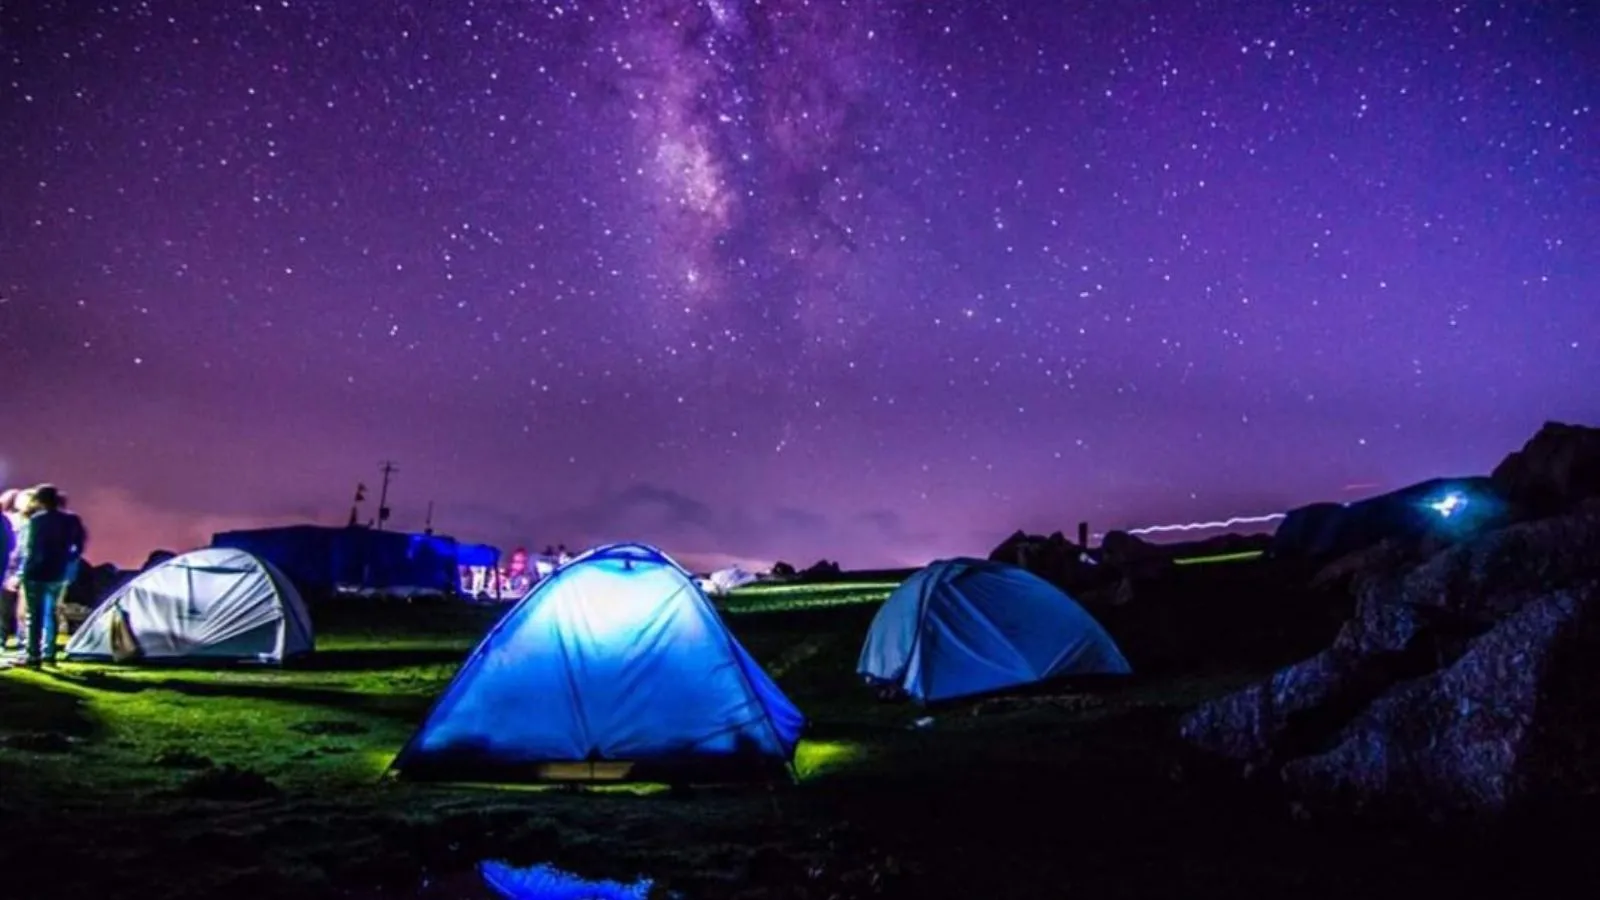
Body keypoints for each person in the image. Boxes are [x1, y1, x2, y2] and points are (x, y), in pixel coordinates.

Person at [16, 484, 87, 668]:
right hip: (58, 572)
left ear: (40, 501)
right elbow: (78, 546)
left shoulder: (36, 521)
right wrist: (67, 562)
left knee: (35, 614)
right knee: (52, 612)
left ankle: (33, 655)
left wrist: (22, 571)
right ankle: (49, 653)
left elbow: (29, 548)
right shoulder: (72, 520)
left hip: (35, 573)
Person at [0, 488, 30, 652]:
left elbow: (15, 546)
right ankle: (22, 640)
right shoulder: (26, 521)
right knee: (22, 609)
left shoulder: (9, 520)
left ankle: (3, 638)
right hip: (17, 567)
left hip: (9, 567)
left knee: (5, 607)